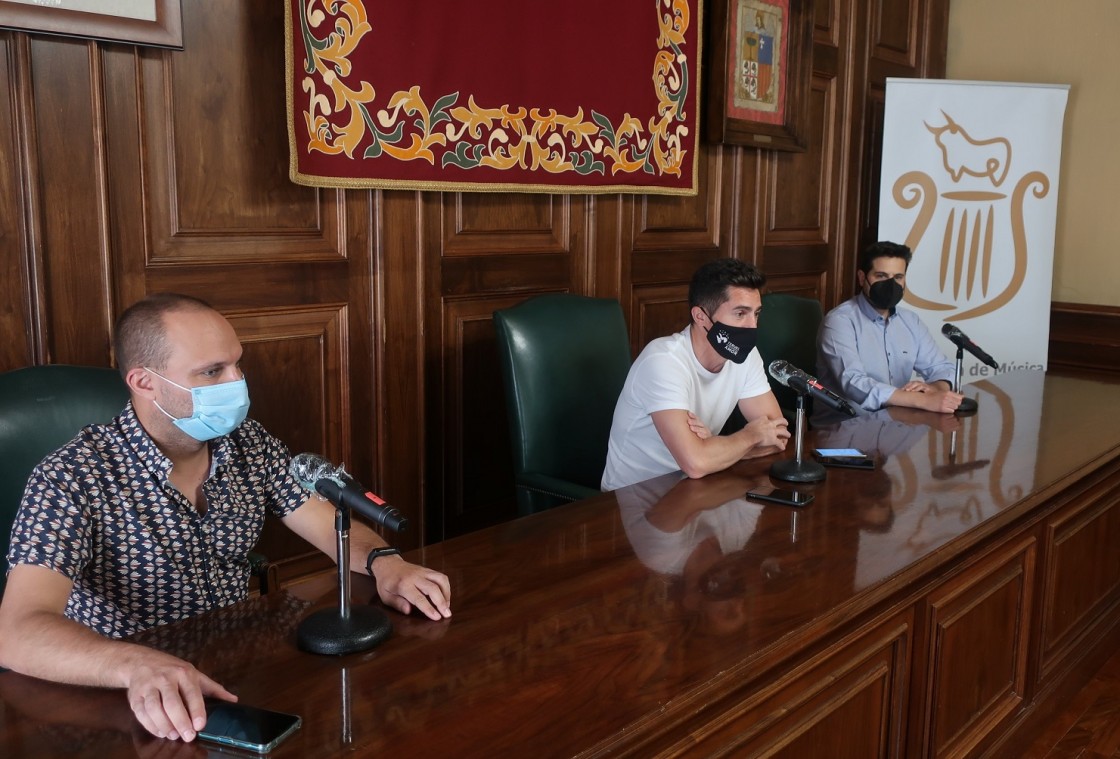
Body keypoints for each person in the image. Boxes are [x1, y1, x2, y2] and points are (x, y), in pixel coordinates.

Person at [0, 293, 451, 744]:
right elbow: (17, 631)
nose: (237, 382)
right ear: (144, 382)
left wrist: (387, 564)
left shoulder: (246, 442)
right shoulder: (72, 475)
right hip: (134, 700)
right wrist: (134, 663)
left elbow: (326, 523)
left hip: (240, 676)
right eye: (212, 371)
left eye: (237, 364)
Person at [601, 258, 790, 491]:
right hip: (630, 502)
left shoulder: (746, 356)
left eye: (756, 314)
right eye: (740, 314)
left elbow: (778, 436)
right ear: (701, 317)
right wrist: (750, 437)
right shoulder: (662, 361)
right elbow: (696, 463)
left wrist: (714, 447)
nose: (752, 326)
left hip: (694, 490)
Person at [816, 241, 964, 414]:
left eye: (898, 277)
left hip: (898, 422)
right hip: (846, 427)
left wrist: (935, 389)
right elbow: (853, 382)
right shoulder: (839, 321)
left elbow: (942, 368)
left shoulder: (910, 321)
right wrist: (922, 400)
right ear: (862, 278)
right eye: (881, 276)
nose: (891, 284)